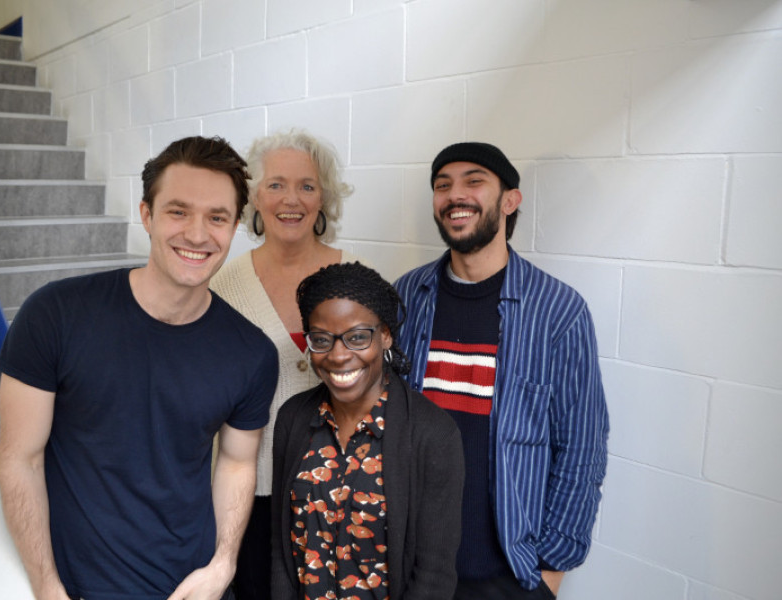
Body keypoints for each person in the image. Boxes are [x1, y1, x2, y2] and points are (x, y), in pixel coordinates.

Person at [0, 136, 279, 600]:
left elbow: (236, 462)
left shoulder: (251, 353)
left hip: (194, 588)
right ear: (146, 215)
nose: (197, 233)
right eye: (178, 211)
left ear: (234, 227)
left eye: (217, 217)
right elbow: (18, 458)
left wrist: (223, 565)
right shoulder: (56, 315)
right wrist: (47, 586)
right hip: (86, 588)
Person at [393, 142, 609, 599]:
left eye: (474, 181)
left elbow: (582, 446)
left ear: (510, 201)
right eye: (442, 185)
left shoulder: (558, 310)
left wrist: (550, 571)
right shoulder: (407, 296)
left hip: (506, 575)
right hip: (411, 566)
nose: (456, 195)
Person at [210, 129, 366, 600]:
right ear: (254, 195)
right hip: (250, 496)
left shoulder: (360, 279)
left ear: (325, 198)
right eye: (275, 184)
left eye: (306, 185)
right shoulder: (222, 285)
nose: (290, 199)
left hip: (342, 494)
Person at [272, 262, 464, 600]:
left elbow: (433, 576)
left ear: (386, 334)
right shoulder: (294, 419)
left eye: (357, 337)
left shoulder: (432, 434)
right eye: (321, 339)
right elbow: (281, 551)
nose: (338, 355)